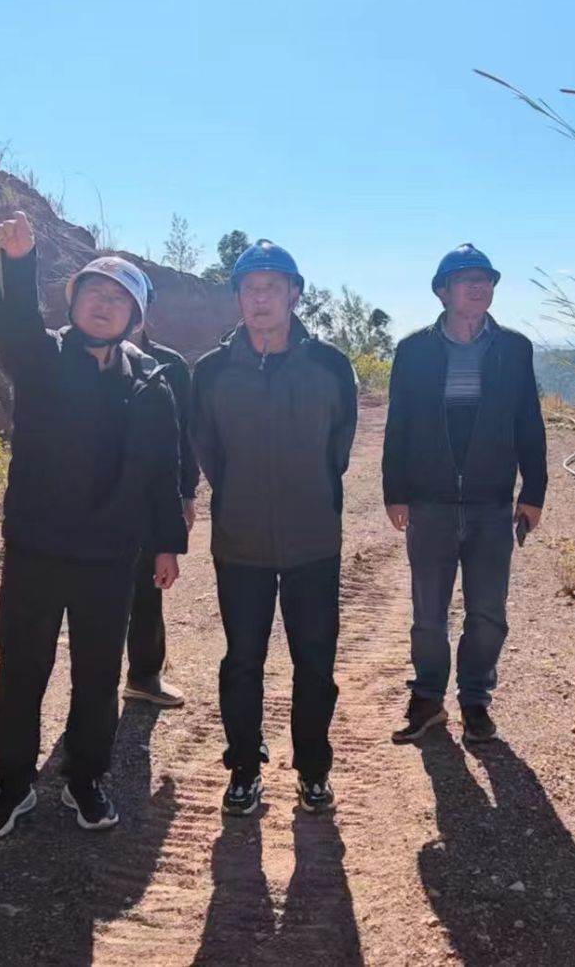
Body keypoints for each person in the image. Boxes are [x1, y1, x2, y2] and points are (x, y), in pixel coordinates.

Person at [0, 211, 187, 841]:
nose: (103, 303)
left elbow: (163, 471)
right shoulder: (40, 359)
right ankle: (12, 784)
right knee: (23, 668)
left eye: (119, 298)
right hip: (36, 549)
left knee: (97, 674)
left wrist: (167, 543)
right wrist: (18, 263)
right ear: (74, 302)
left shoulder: (151, 384)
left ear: (135, 317)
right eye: (93, 291)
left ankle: (85, 778)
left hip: (110, 556)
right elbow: (13, 323)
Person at [193, 240, 357, 817]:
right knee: (242, 660)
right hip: (239, 543)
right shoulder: (211, 371)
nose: (260, 298)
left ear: (295, 294)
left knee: (315, 662)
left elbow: (339, 447)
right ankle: (243, 767)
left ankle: (313, 769)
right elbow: (208, 451)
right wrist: (241, 494)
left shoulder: (330, 366)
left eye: (272, 287)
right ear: (237, 297)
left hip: (314, 541)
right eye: (249, 288)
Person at [382, 243, 548, 745]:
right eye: (467, 279)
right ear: (442, 291)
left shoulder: (514, 349)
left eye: (486, 279)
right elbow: (398, 424)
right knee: (428, 615)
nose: (479, 287)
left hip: (491, 501)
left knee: (488, 613)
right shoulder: (414, 350)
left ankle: (475, 700)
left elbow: (529, 422)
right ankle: (428, 699)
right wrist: (394, 490)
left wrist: (534, 489)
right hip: (429, 501)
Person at [122, 304, 200, 709]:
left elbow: (183, 436)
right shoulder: (77, 359)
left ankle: (144, 675)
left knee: (148, 587)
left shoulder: (169, 365)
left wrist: (186, 493)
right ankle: (92, 691)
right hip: (92, 504)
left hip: (152, 495)